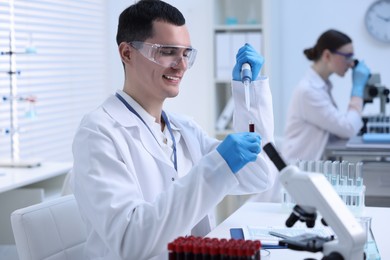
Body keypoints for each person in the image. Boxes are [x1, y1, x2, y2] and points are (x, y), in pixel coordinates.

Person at [70, 0, 275, 259]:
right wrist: (217, 166)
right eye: (167, 51)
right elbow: (132, 241)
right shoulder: (98, 133)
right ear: (127, 53)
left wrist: (249, 92)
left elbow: (258, 175)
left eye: (186, 53)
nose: (182, 65)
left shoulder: (183, 129)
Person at [281, 29, 371, 162]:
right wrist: (357, 91)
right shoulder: (309, 91)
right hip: (298, 172)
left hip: (312, 167)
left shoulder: (322, 86)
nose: (351, 63)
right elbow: (348, 128)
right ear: (327, 55)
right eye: (347, 57)